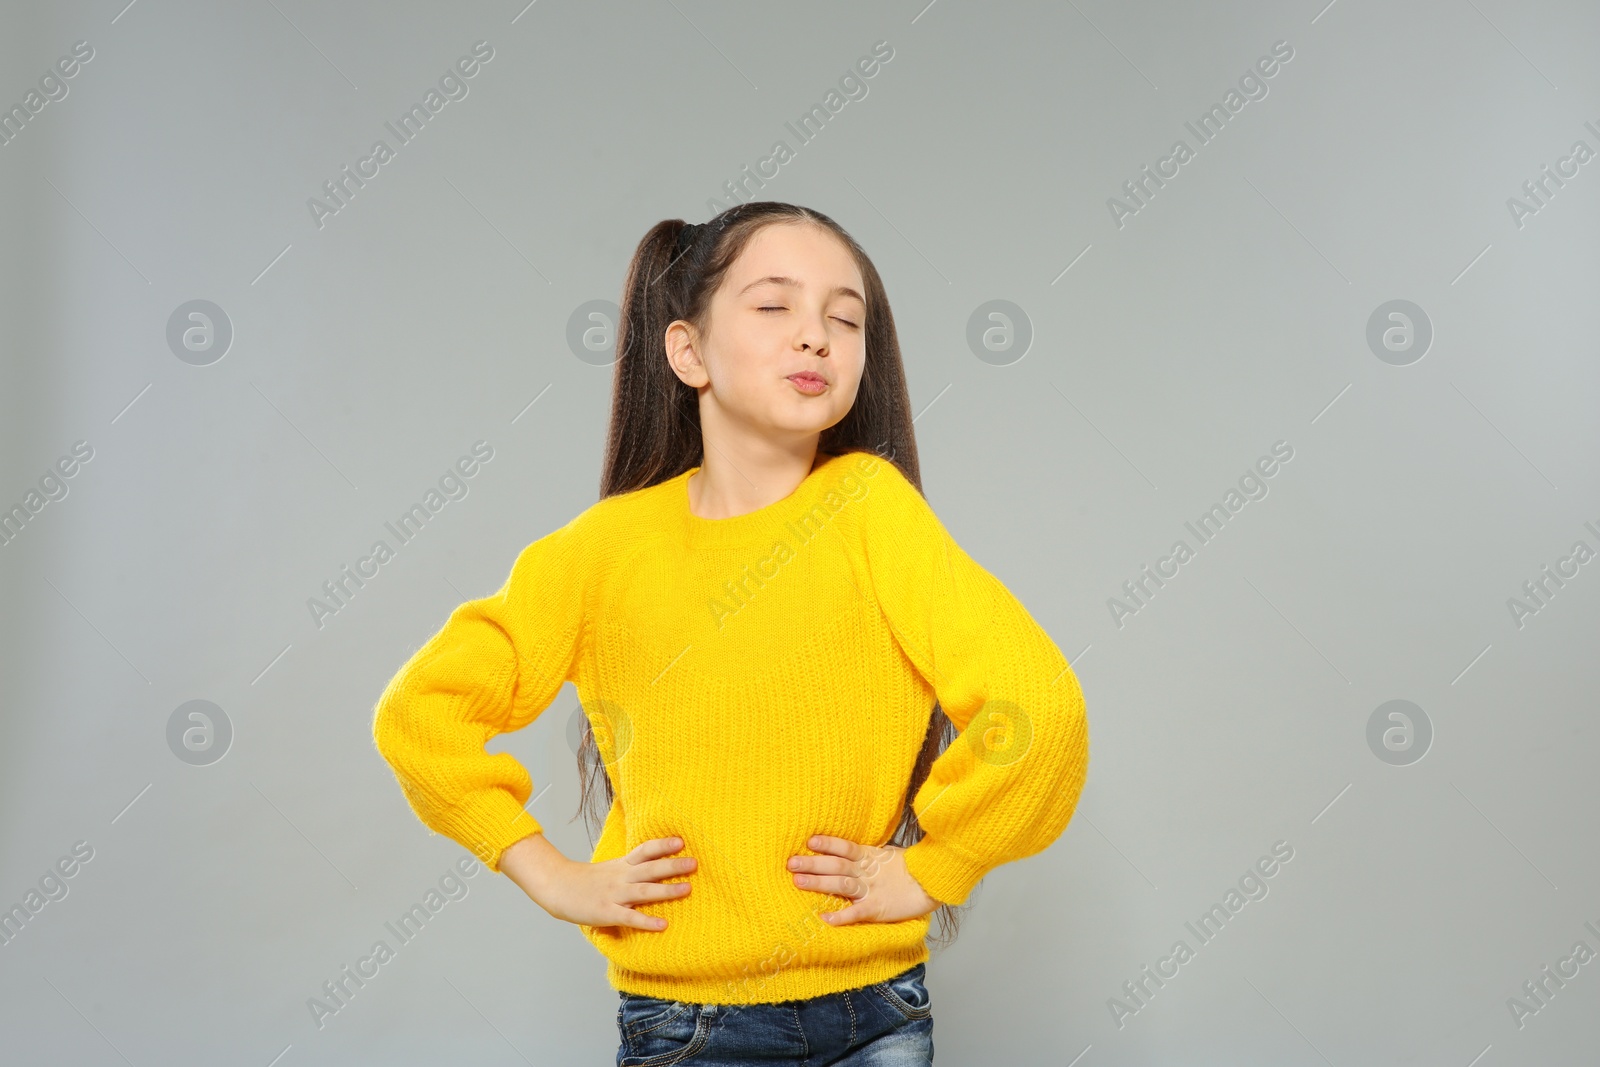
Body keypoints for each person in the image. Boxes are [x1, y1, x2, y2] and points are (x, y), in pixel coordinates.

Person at [372, 200, 1089, 1065]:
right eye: (775, 305)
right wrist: (551, 875)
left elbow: (1039, 708)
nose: (817, 336)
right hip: (690, 1026)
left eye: (845, 318)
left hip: (880, 1013)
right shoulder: (605, 552)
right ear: (688, 351)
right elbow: (420, 714)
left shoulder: (873, 512)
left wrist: (933, 868)